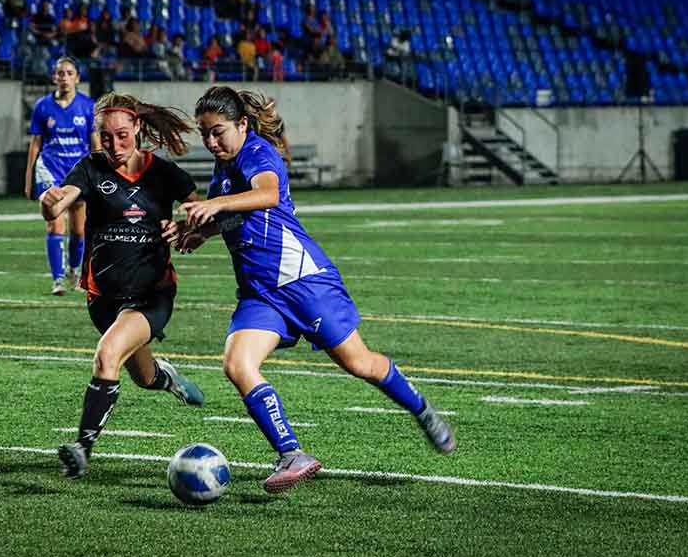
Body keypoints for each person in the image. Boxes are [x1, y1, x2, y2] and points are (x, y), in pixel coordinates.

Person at [169, 86, 456, 494]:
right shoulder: (225, 168)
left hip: (304, 282)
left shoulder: (257, 153)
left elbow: (266, 194)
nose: (211, 142)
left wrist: (216, 206)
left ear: (243, 125)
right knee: (237, 364)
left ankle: (421, 409)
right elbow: (235, 220)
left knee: (360, 364)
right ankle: (291, 454)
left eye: (218, 132)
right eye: (205, 134)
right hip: (261, 293)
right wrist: (195, 233)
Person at [40, 92, 206, 479]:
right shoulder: (91, 168)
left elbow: (199, 211)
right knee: (143, 377)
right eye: (105, 136)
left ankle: (82, 448)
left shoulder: (163, 173)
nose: (114, 145)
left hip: (151, 295)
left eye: (122, 135)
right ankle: (166, 377)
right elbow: (62, 201)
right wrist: (50, 205)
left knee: (107, 355)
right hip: (103, 298)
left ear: (139, 130)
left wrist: (183, 225)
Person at [24, 56, 100, 295]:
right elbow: (35, 144)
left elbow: (95, 145)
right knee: (54, 224)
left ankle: (75, 271)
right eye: (60, 73)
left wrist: (99, 175)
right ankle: (57, 279)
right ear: (54, 77)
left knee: (79, 230)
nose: (64, 77)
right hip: (50, 168)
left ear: (77, 78)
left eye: (69, 73)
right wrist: (28, 178)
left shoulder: (89, 107)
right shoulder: (43, 106)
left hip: (78, 171)